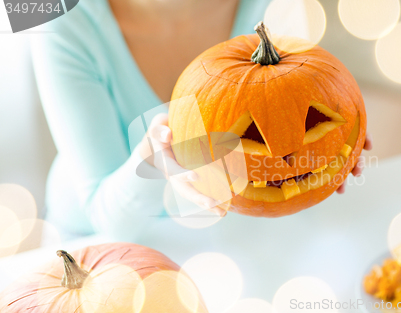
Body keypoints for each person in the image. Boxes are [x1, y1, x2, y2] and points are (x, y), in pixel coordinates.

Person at [31, 0, 373, 241]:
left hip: (237, 229)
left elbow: (298, 104)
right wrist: (153, 166)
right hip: (98, 240)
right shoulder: (56, 17)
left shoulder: (275, 6)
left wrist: (334, 138)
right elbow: (106, 218)